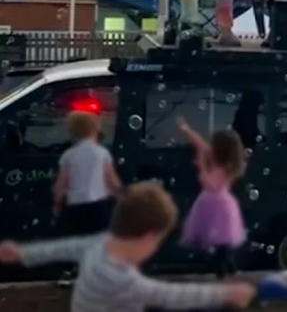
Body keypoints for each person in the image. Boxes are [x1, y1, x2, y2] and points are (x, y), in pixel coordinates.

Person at [0, 181, 255, 312]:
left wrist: (21, 253)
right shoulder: (122, 279)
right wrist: (226, 294)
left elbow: (59, 249)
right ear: (147, 236)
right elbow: (172, 296)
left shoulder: (98, 245)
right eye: (157, 241)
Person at [176, 118, 247, 279]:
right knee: (222, 246)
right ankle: (228, 272)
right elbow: (199, 142)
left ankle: (225, 273)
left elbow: (210, 184)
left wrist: (201, 166)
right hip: (215, 204)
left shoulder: (224, 167)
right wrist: (186, 130)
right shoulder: (223, 161)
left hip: (216, 205)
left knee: (221, 246)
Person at [53, 111, 123, 235]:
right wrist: (120, 198)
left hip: (75, 206)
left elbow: (60, 184)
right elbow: (112, 181)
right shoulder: (101, 153)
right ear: (95, 128)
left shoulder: (68, 155)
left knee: (78, 237)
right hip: (98, 206)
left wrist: (57, 203)